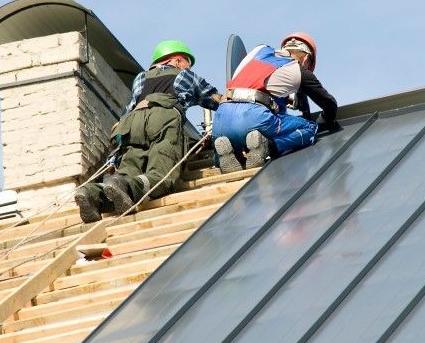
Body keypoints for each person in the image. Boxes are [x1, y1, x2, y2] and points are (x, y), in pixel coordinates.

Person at [74, 39, 223, 223]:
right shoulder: (185, 76)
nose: (187, 67)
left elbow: (127, 112)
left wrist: (114, 157)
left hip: (132, 124)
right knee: (162, 176)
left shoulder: (141, 78)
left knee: (126, 172)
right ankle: (124, 185)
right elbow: (214, 99)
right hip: (163, 118)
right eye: (186, 63)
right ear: (177, 61)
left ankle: (90, 192)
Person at [211, 32, 340, 174]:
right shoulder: (299, 70)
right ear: (307, 58)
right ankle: (268, 145)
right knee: (309, 128)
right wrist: (325, 120)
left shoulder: (259, 50)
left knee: (235, 139)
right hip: (251, 118)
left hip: (221, 118)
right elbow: (329, 104)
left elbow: (259, 84)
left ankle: (226, 154)